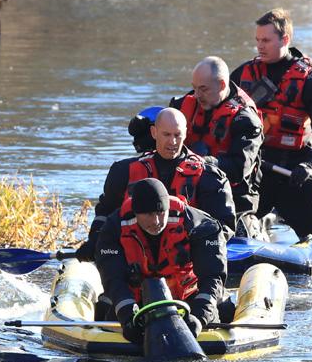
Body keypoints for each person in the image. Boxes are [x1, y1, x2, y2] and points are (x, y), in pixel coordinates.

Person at [230, 8, 312, 239]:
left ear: (285, 39)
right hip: (259, 171)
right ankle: (265, 218)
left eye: (266, 40)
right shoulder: (244, 74)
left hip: (296, 174)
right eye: (257, 40)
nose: (259, 46)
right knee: (237, 224)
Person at [75, 108, 236, 262]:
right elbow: (105, 213)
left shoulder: (209, 176)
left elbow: (224, 227)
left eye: (177, 135)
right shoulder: (123, 171)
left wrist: (196, 245)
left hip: (186, 263)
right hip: (135, 259)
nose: (172, 142)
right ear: (154, 133)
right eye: (166, 134)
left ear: (185, 134)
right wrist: (95, 241)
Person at [95, 178, 227, 344]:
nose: (156, 222)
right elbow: (113, 279)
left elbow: (213, 277)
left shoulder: (201, 226)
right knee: (107, 308)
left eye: (160, 213)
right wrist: (128, 317)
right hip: (138, 303)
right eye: (149, 214)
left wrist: (199, 318)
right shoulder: (113, 228)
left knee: (219, 308)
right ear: (136, 213)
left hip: (189, 301)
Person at [170, 56, 264, 238]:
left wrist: (203, 162)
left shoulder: (246, 120)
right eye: (194, 87)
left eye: (203, 89)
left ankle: (256, 226)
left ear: (221, 85)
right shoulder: (183, 105)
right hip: (187, 193)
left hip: (232, 198)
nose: (196, 95)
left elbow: (238, 169)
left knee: (238, 232)